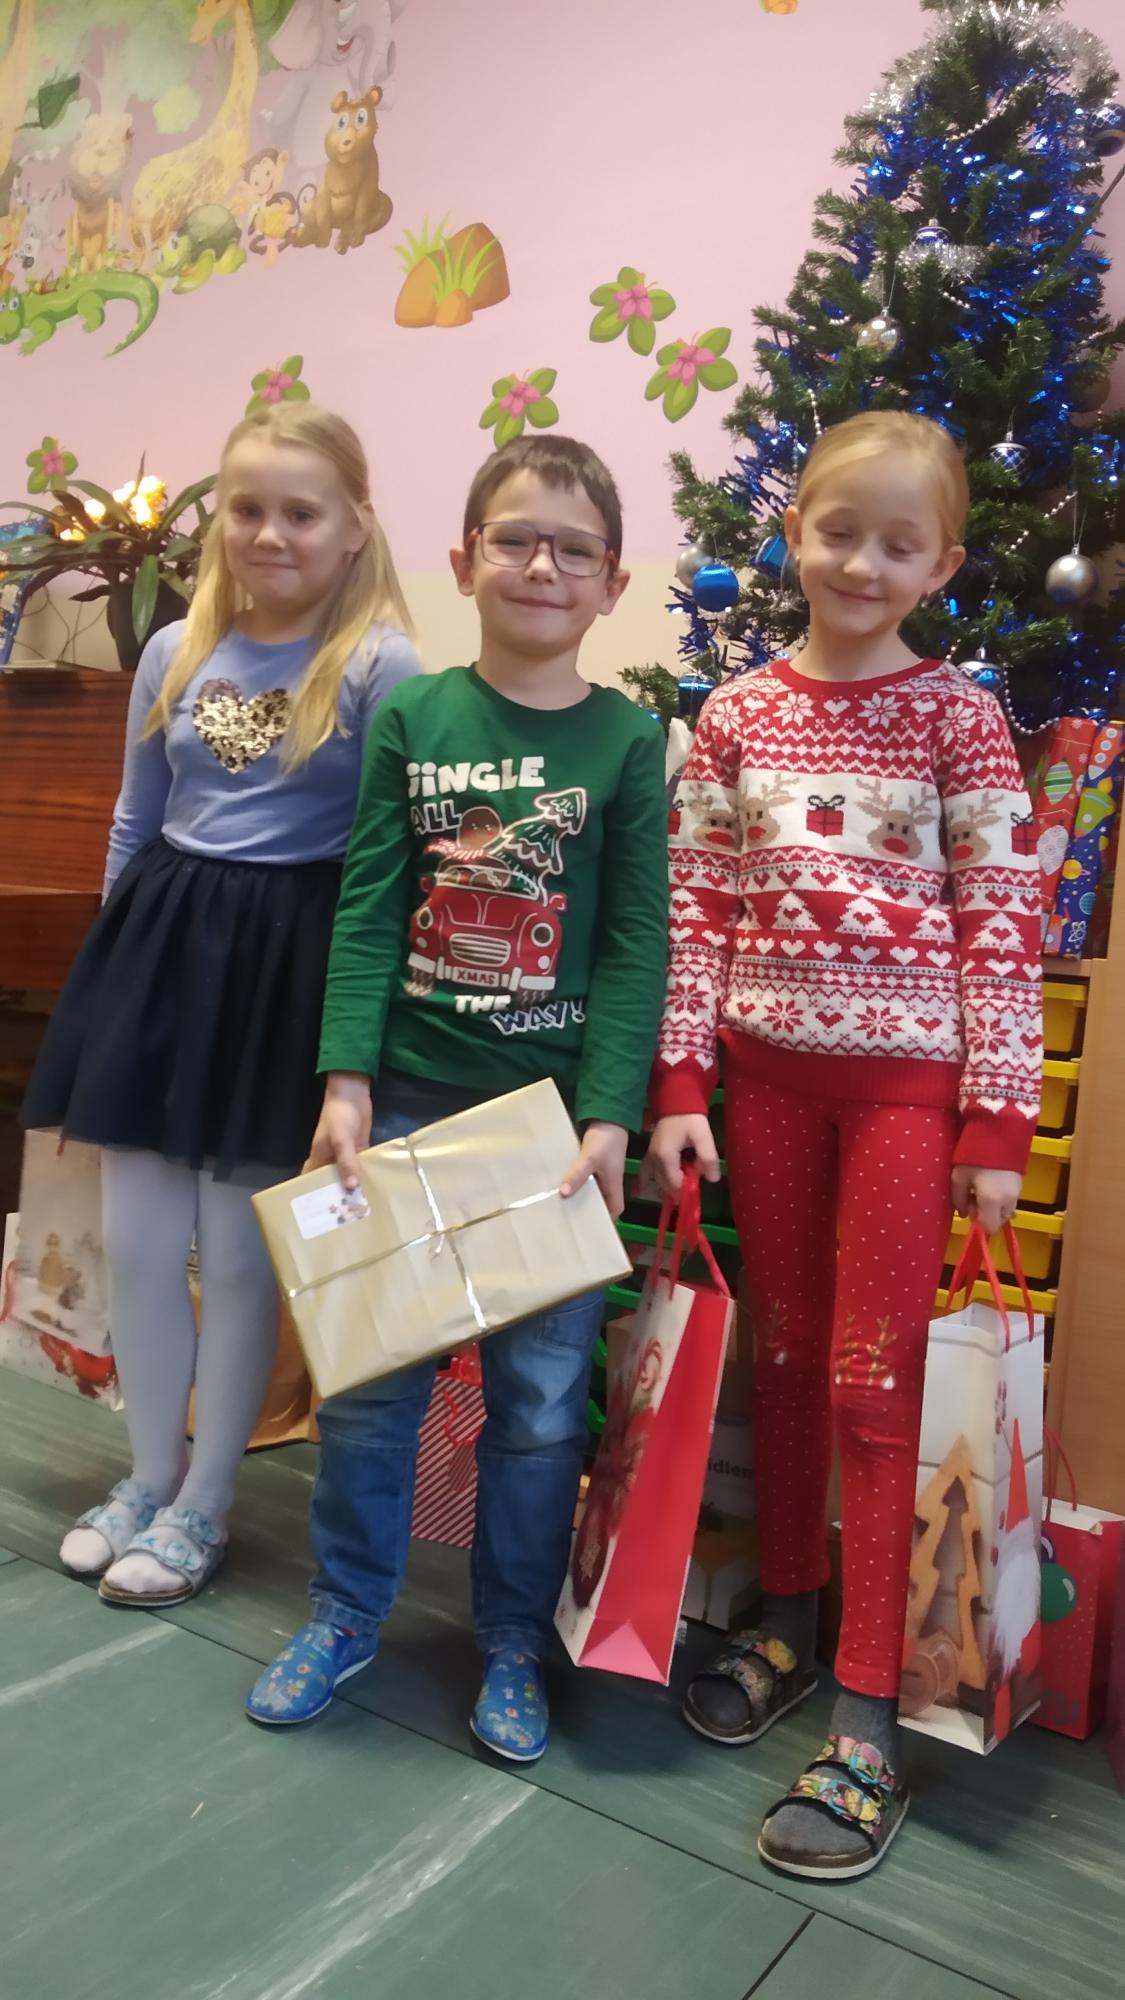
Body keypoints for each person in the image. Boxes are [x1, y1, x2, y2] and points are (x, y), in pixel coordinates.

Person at [648, 411, 1042, 1879]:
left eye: (897, 543)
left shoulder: (958, 719)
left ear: (942, 564)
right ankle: (794, 1624)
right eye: (838, 532)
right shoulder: (738, 714)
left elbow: (1002, 926)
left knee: (875, 1389)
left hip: (901, 1103)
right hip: (762, 1086)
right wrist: (680, 1082)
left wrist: (995, 1120)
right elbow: (697, 905)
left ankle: (869, 1710)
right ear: (792, 534)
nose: (862, 564)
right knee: (787, 1359)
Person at [246, 434, 669, 1759]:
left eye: (575, 549)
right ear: (463, 560)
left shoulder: (627, 741)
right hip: (405, 1108)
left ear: (612, 583)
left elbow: (634, 942)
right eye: (515, 539)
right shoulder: (416, 718)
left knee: (539, 1409)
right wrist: (346, 1081)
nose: (543, 565)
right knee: (369, 1388)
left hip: (550, 1131)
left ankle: (511, 1642)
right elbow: (371, 906)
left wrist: (611, 1114)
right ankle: (345, 1611)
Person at [22, 402, 420, 1607]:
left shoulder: (381, 665)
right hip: (162, 954)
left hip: (286, 970)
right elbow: (135, 819)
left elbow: (384, 862)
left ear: (354, 525)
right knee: (142, 1243)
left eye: (300, 512)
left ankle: (205, 1501)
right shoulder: (174, 650)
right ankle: (149, 1470)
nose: (270, 533)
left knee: (241, 1260)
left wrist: (353, 1036)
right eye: (248, 509)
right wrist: (110, 979)